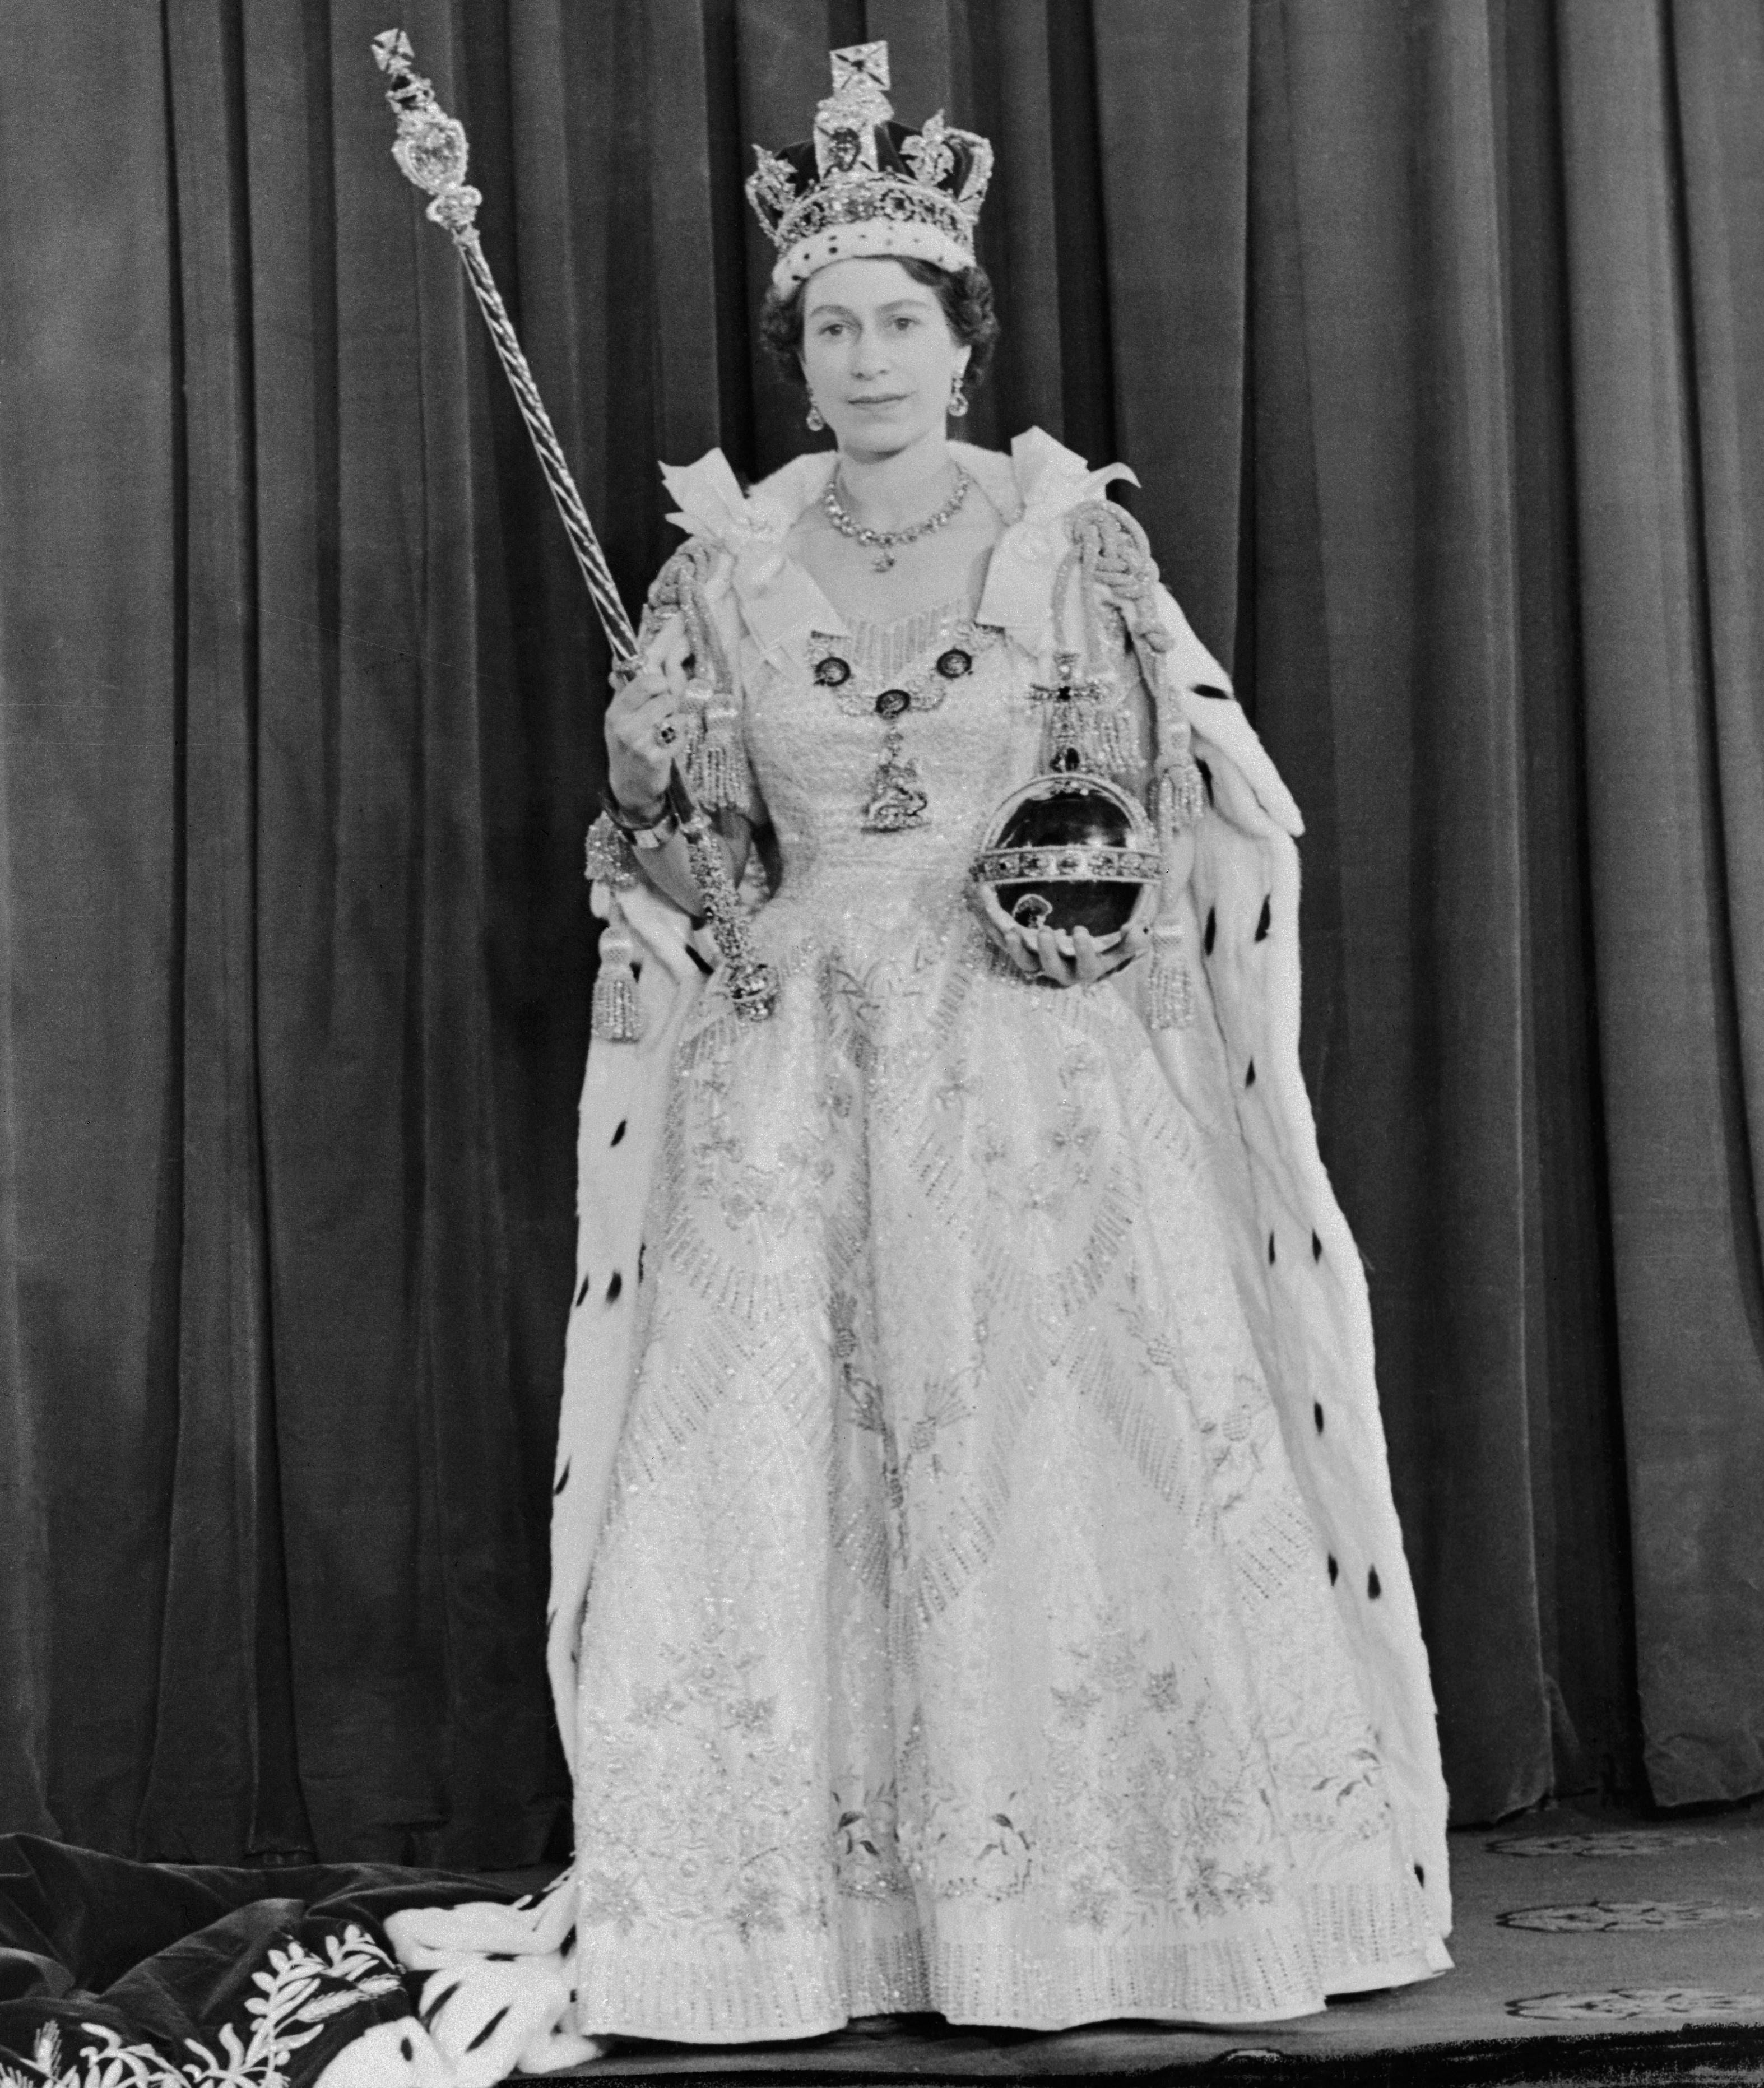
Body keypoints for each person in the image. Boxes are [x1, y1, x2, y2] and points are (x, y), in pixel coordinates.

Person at [385, 41, 1452, 2073]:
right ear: (799, 361)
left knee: (1051, 1452)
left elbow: (1140, 819)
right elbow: (706, 876)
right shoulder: (715, 570)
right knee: (786, 1464)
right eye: (831, 328)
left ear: (962, 345)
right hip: (792, 1063)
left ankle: (1101, 1899)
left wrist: (1074, 920)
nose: (865, 357)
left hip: (1034, 1064)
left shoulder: (1071, 548)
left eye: (898, 322)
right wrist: (653, 787)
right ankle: (806, 1914)